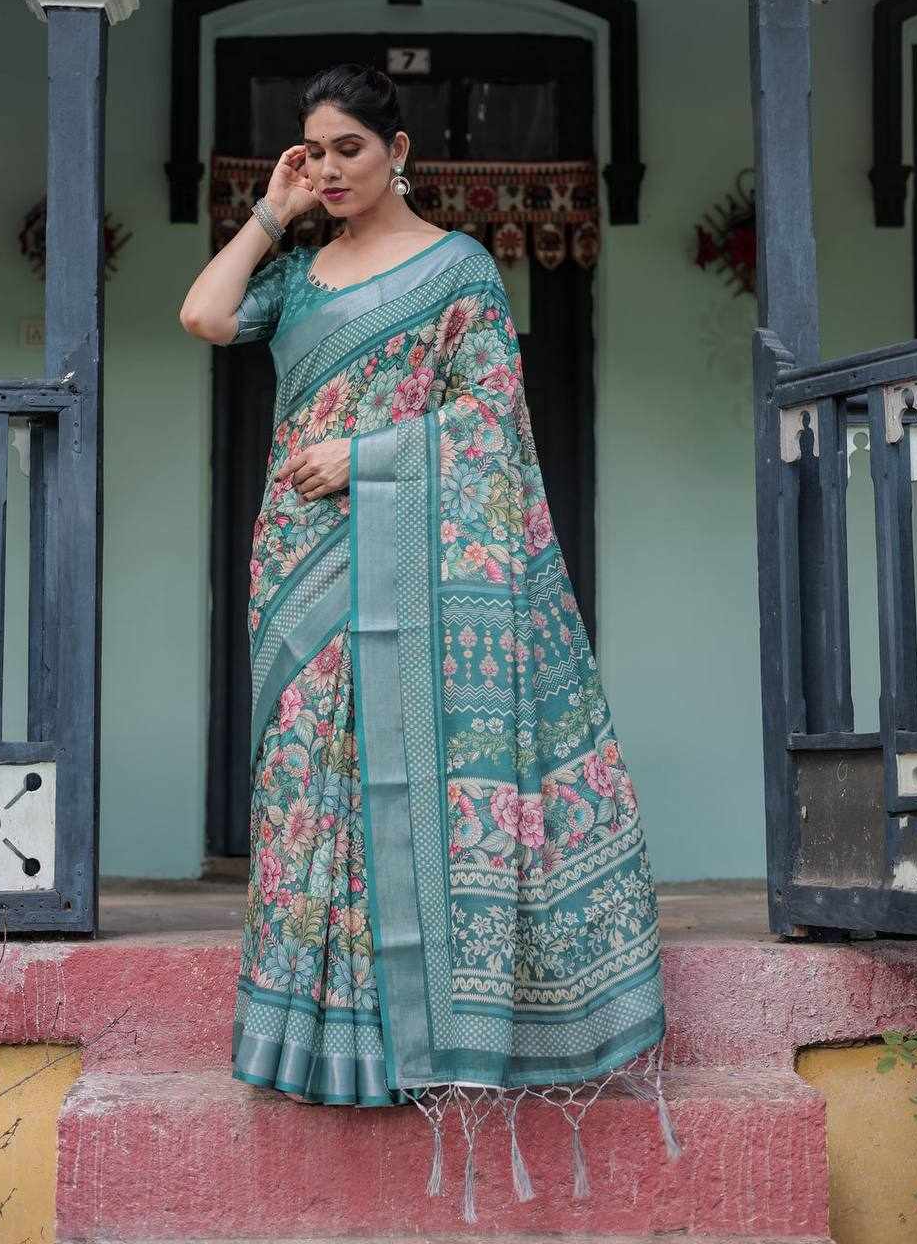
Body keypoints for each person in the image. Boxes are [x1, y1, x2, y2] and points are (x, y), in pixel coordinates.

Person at [180, 63, 678, 1221]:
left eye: (347, 148)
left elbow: (490, 420)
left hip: (405, 557)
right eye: (311, 150)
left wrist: (365, 455)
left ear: (397, 149)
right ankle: (311, 1042)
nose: (328, 168)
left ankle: (408, 1038)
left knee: (396, 777)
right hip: (299, 565)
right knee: (305, 787)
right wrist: (269, 213)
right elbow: (204, 314)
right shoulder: (297, 271)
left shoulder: (456, 269)